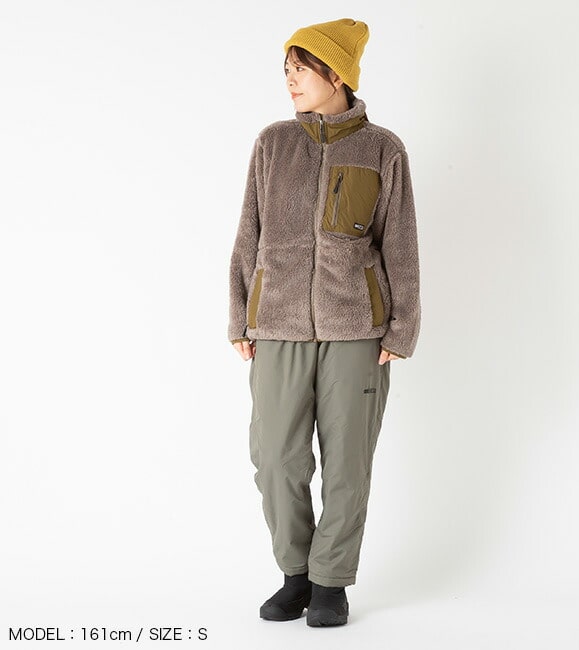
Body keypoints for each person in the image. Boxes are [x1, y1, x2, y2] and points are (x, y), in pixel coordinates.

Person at [228, 17, 421, 627]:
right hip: (277, 324)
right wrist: (239, 317)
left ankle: (331, 582)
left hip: (357, 330)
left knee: (348, 463)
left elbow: (401, 244)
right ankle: (296, 575)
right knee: (275, 459)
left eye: (301, 70)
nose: (289, 81)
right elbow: (249, 234)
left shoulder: (383, 149)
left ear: (337, 74)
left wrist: (402, 328)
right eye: (286, 70)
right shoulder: (272, 143)